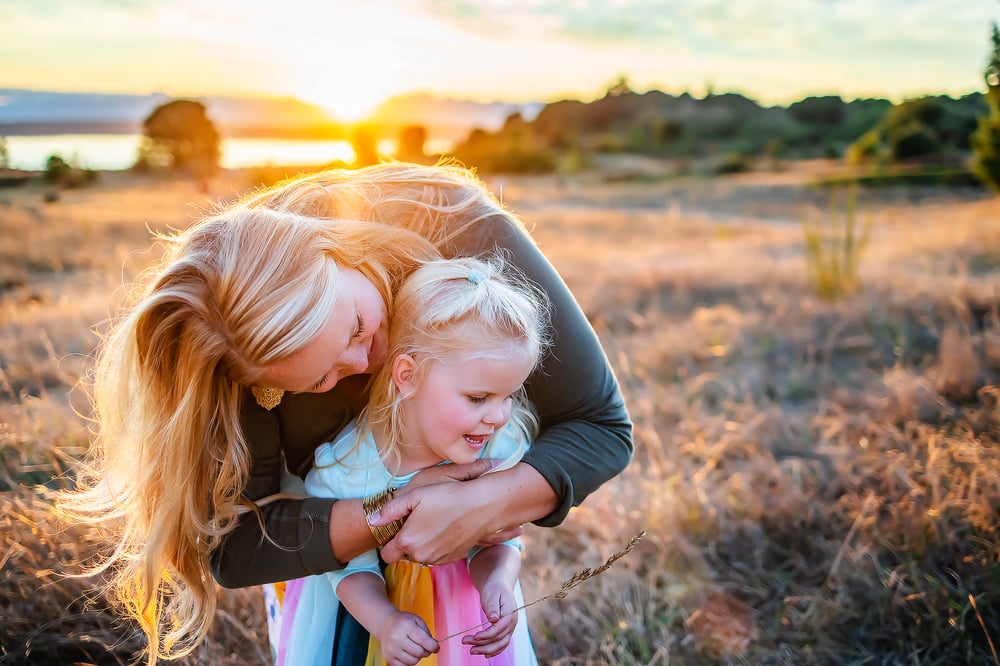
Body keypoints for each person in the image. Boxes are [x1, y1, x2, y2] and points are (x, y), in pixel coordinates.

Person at [58, 161, 632, 664]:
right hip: (336, 591)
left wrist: (475, 504)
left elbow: (600, 425)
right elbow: (235, 545)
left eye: (357, 324)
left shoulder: (466, 233)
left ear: (334, 251)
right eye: (320, 380)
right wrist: (394, 512)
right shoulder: (231, 342)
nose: (369, 360)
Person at [268, 255, 547, 666]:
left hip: (459, 613)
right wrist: (386, 621)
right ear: (408, 375)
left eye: (509, 396)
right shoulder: (347, 466)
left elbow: (499, 541)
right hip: (364, 626)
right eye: (478, 398)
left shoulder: (496, 448)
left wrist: (497, 583)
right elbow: (346, 568)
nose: (500, 416)